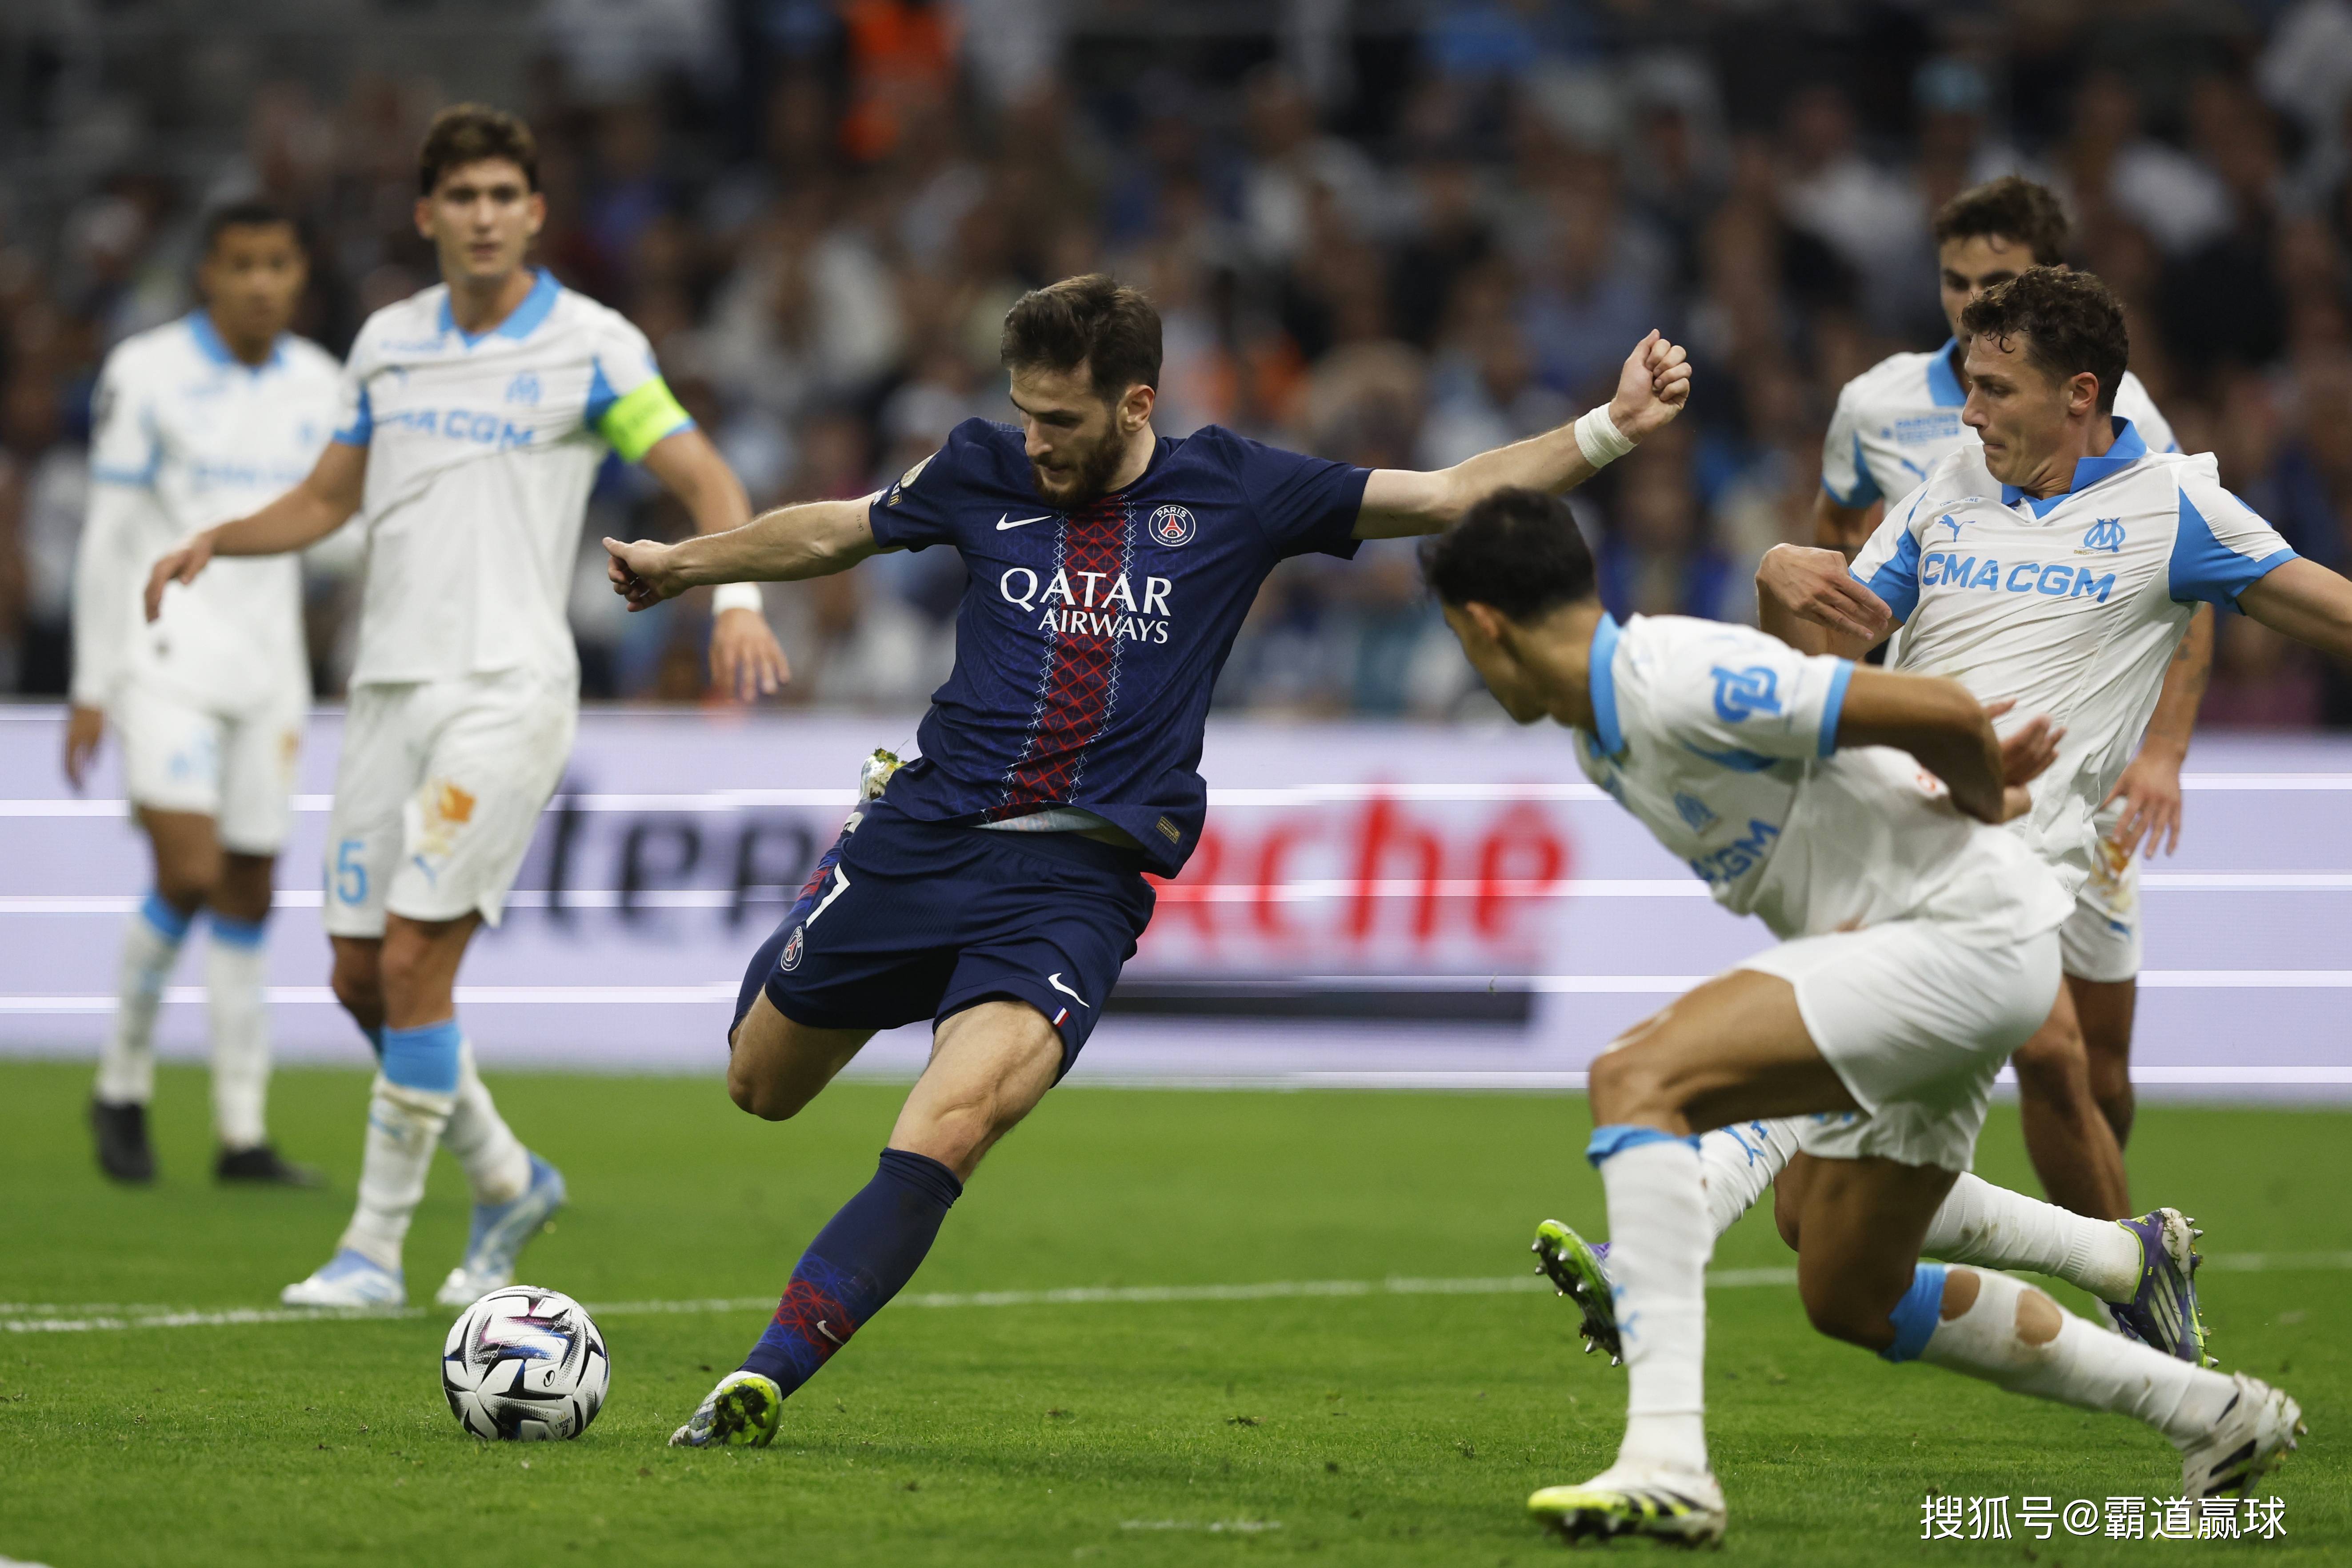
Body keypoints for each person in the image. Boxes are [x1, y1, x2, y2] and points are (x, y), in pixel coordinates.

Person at [596, 275, 1692, 1448]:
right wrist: (686, 565)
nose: (1034, 442)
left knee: (953, 1126)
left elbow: (1448, 494)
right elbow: (836, 528)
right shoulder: (978, 468)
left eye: (1059, 420)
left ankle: (759, 1382)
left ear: (1135, 404)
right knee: (760, 1087)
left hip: (1075, 885)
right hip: (923, 838)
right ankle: (839, 877)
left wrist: (1611, 427)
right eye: (1024, 413)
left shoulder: (1235, 489)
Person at [1421, 487, 2300, 1545]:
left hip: (1957, 936)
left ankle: (1667, 1462)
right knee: (1847, 1289)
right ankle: (2216, 1413)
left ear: (1484, 625)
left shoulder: (1675, 677)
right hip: (1937, 958)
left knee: (1636, 1077)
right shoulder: (1600, 735)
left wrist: (1983, 798)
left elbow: (1942, 713)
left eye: (1461, 641)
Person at [145, 104, 789, 1309]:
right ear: (426, 214)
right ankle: (506, 1176)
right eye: (463, 197)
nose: (484, 216)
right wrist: (219, 538)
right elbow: (327, 500)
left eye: (504, 196)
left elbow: (701, 473)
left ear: (534, 214)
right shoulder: (389, 343)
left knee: (412, 960)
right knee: (358, 977)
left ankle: (373, 1250)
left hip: (508, 689)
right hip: (387, 689)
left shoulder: (593, 346)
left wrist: (735, 596)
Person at [1819, 174, 2204, 1218]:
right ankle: (2124, 1268)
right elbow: (1836, 547)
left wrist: (2162, 752)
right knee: (2040, 1047)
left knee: (2094, 1068)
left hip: (2082, 766)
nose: (1968, 301)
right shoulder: (1876, 408)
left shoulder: (2127, 420)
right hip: (1943, 769)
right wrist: (1851, 719)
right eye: (1954, 280)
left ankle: (2111, 1241)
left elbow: (2188, 574)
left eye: (1994, 282)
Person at [68, 200, 336, 1188]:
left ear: (299, 275)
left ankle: (241, 1133)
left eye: (277, 263)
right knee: (189, 870)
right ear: (207, 275)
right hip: (165, 655)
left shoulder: (322, 383)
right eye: (241, 264)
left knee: (249, 889)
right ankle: (121, 1084)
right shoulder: (147, 371)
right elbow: (109, 533)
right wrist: (91, 683)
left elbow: (336, 521)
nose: (260, 282)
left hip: (270, 671)